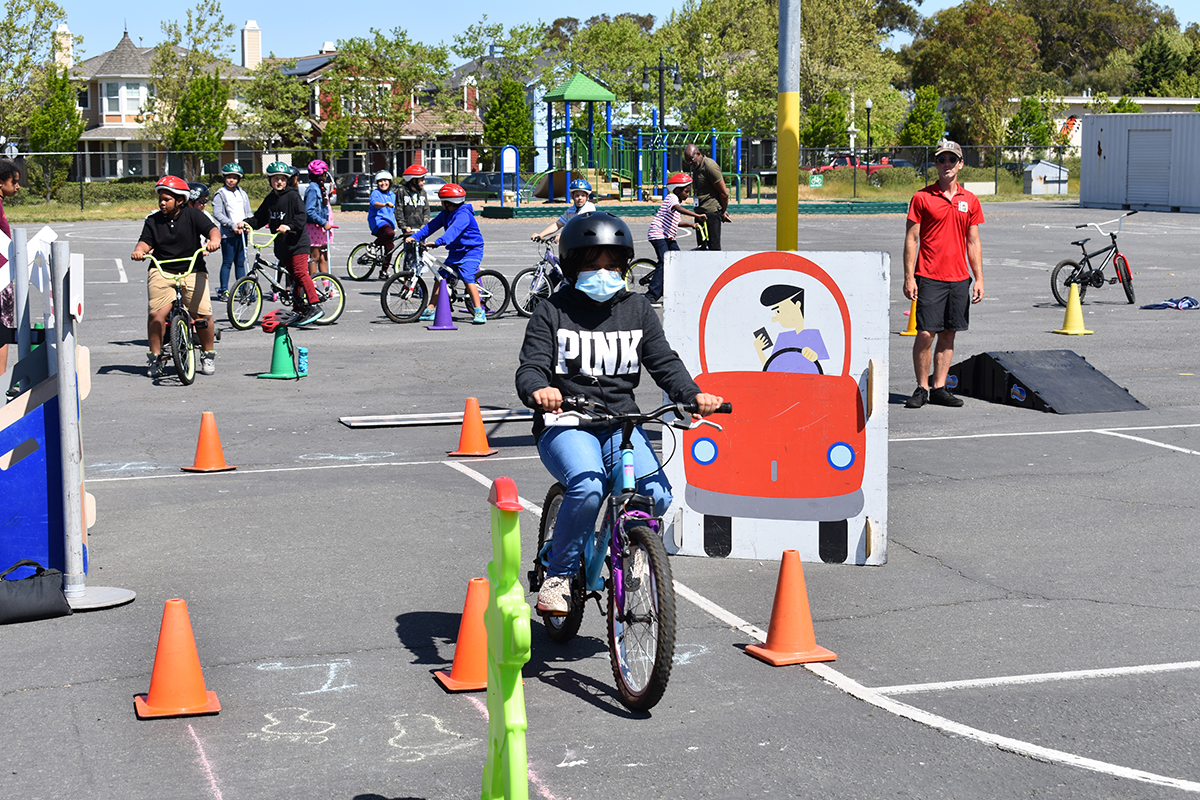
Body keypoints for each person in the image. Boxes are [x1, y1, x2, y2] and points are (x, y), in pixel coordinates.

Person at [515, 211, 724, 615]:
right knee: (590, 486)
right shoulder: (552, 311)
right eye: (592, 266)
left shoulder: (637, 309)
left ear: (625, 267)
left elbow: (664, 362)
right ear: (573, 266)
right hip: (567, 422)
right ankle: (558, 576)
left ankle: (627, 552)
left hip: (620, 423)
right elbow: (531, 366)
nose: (603, 273)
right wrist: (540, 390)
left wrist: (692, 395)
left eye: (612, 266)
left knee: (657, 496)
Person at [902, 139, 984, 409]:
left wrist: (979, 278)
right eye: (941, 160)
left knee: (949, 334)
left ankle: (939, 387)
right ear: (935, 164)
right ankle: (921, 388)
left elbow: (973, 241)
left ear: (960, 164)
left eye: (951, 159)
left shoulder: (969, 200)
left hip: (959, 278)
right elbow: (912, 239)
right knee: (926, 333)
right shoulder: (922, 198)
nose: (946, 164)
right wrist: (909, 276)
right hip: (929, 276)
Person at [130, 176, 221, 377]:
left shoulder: (192, 215)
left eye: (167, 199)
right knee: (156, 315)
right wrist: (139, 251)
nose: (162, 203)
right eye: (160, 199)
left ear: (180, 200)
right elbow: (145, 241)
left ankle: (208, 354)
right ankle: (155, 357)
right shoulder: (153, 220)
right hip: (162, 270)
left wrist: (213, 241)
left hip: (192, 269)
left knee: (203, 315)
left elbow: (212, 230)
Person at [235, 161, 324, 326]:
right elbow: (259, 218)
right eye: (276, 178)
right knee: (293, 277)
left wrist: (289, 226)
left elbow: (301, 216)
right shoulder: (270, 199)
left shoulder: (292, 195)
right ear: (270, 180)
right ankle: (299, 310)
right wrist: (246, 223)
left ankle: (315, 304)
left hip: (297, 242)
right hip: (282, 246)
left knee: (299, 272)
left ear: (287, 180)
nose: (279, 182)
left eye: (283, 179)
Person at [406, 183, 488, 325]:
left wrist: (438, 242)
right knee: (440, 277)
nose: (441, 204)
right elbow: (431, 226)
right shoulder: (446, 213)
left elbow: (453, 232)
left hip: (471, 251)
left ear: (448, 203)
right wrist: (416, 237)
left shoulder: (464, 215)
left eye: (442, 201)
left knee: (467, 278)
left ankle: (479, 310)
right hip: (456, 251)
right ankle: (431, 309)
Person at [645, 172, 706, 303]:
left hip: (668, 236)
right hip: (658, 234)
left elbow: (676, 222)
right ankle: (651, 295)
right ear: (677, 189)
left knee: (678, 260)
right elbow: (678, 208)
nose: (687, 194)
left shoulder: (676, 201)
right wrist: (697, 215)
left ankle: (671, 290)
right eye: (686, 191)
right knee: (664, 261)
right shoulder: (672, 198)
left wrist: (691, 224)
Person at [753, 285, 828, 374]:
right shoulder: (783, 337)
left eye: (778, 311)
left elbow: (823, 367)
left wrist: (813, 356)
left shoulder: (813, 335)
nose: (775, 319)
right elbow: (771, 370)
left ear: (797, 304)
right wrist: (759, 350)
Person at [212, 163, 250, 301]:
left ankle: (243, 290)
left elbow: (248, 212)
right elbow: (217, 214)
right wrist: (232, 225)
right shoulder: (220, 194)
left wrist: (247, 224)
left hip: (243, 234)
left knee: (241, 263)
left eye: (234, 177)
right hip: (228, 234)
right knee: (227, 262)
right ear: (224, 178)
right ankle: (224, 290)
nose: (231, 180)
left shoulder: (242, 193)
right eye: (228, 177)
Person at [683, 143, 732, 250]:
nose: (690, 163)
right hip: (699, 212)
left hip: (711, 213)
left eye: (691, 159)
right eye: (687, 161)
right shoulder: (696, 167)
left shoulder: (710, 166)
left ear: (698, 154)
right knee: (702, 248)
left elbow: (724, 193)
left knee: (713, 248)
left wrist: (722, 212)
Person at [0, 158, 20, 379]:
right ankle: (0, 382)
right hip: (1, 278)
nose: (17, 186)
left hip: (4, 274)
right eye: (13, 181)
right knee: (2, 331)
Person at [531, 178, 595, 242]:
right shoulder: (570, 211)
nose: (580, 198)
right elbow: (557, 225)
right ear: (572, 196)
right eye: (577, 195)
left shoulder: (589, 207)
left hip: (586, 243)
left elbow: (581, 226)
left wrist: (563, 235)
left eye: (583, 195)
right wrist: (540, 235)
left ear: (587, 197)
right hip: (574, 244)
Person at [304, 159, 335, 276]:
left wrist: (328, 196)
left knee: (324, 257)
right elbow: (309, 211)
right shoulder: (313, 189)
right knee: (315, 257)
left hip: (322, 230)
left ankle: (327, 286)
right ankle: (313, 285)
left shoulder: (318, 188)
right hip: (315, 228)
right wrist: (323, 222)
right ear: (323, 175)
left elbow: (320, 207)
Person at [398, 164, 431, 272]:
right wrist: (403, 226)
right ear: (413, 180)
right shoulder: (402, 192)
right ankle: (407, 284)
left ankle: (418, 284)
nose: (423, 182)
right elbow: (398, 210)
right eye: (421, 180)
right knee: (410, 258)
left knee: (420, 258)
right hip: (409, 231)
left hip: (421, 231)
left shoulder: (423, 193)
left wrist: (424, 224)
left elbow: (426, 210)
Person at [368, 170, 398, 269]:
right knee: (390, 233)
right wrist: (384, 205)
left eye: (385, 180)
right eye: (380, 181)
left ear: (390, 182)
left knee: (390, 247)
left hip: (389, 224)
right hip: (378, 221)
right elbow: (375, 203)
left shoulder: (393, 195)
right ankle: (373, 245)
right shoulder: (375, 193)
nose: (383, 183)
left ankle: (384, 271)